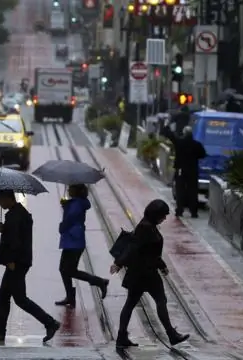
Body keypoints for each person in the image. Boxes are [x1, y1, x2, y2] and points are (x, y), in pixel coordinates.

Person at [0, 190, 61, 343]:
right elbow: (15, 235)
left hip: (16, 263)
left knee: (20, 299)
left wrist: (10, 260)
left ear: (7, 198)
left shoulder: (14, 216)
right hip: (19, 261)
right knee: (3, 296)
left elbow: (15, 241)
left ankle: (50, 323)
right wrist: (4, 229)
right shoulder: (18, 213)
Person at [110, 199, 190, 348]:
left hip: (141, 273)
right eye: (163, 215)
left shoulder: (149, 225)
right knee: (159, 301)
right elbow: (134, 248)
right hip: (146, 274)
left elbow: (150, 251)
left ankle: (122, 337)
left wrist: (162, 265)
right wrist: (119, 263)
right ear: (155, 214)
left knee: (132, 304)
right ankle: (171, 334)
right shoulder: (145, 227)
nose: (164, 218)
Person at [55, 184, 109, 308]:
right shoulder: (77, 203)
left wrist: (66, 209)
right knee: (64, 269)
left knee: (68, 270)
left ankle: (100, 281)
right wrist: (66, 205)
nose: (68, 190)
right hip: (73, 240)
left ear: (77, 191)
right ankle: (70, 297)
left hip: (73, 241)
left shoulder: (76, 204)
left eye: (70, 188)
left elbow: (69, 220)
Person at [160, 124, 206, 217]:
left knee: (180, 190)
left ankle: (180, 210)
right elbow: (203, 154)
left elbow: (170, 136)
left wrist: (166, 126)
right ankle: (193, 212)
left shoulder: (179, 142)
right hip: (193, 170)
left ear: (184, 133)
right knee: (193, 191)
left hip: (181, 169)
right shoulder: (197, 145)